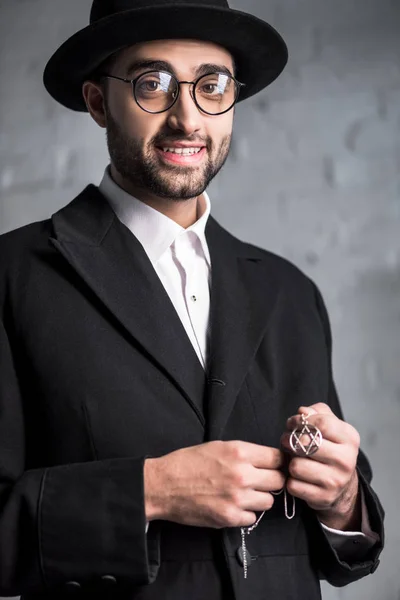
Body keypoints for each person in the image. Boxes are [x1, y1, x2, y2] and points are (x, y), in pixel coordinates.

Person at [0, 0, 384, 599]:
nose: (188, 119)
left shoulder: (290, 292)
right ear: (100, 103)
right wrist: (152, 491)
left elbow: (339, 552)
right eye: (152, 84)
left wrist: (344, 500)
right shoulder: (11, 276)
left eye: (212, 85)